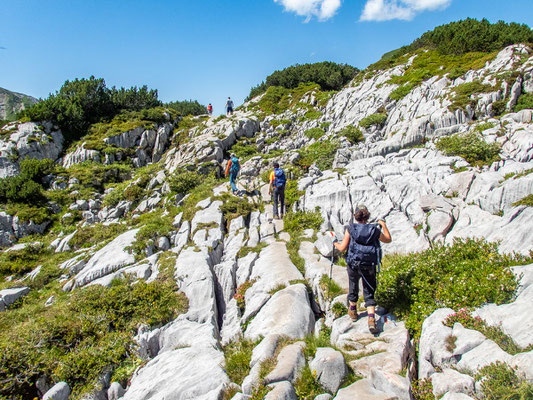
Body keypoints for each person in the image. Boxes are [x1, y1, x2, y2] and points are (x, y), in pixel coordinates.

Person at [333, 205, 391, 334]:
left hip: (354, 263)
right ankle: (371, 319)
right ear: (367, 216)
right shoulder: (374, 230)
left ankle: (353, 311)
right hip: (369, 264)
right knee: (369, 288)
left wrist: (335, 243)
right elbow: (388, 239)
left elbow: (342, 248)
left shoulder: (350, 229)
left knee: (353, 285)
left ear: (356, 216)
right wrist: (383, 225)